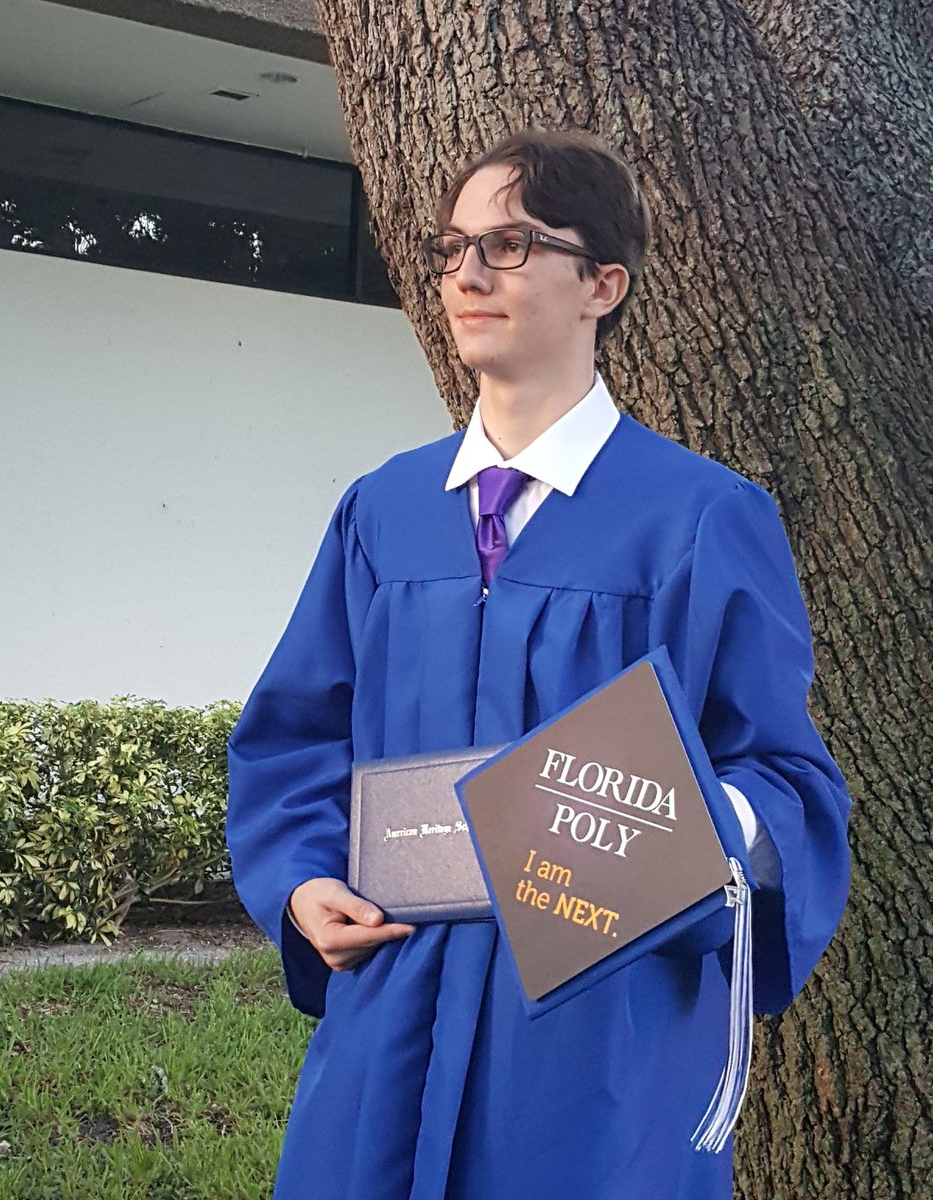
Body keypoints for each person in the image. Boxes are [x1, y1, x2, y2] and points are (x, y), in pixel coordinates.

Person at [227, 129, 851, 1200]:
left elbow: (784, 780)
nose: (466, 276)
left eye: (511, 245)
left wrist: (653, 832)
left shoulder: (699, 519)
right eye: (453, 248)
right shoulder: (384, 511)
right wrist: (302, 883)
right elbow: (296, 737)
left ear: (602, 284)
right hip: (394, 996)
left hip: (597, 1027)